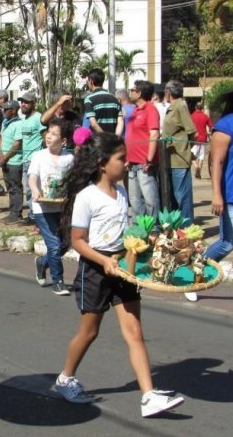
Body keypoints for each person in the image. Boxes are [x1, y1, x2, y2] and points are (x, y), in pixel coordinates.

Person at [54, 132, 185, 417]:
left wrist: (147, 248)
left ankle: (149, 396)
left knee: (135, 331)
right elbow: (77, 240)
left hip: (123, 269)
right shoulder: (87, 197)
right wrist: (104, 261)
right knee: (89, 332)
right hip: (96, 270)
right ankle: (65, 378)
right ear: (102, 163)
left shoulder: (122, 191)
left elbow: (124, 233)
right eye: (121, 159)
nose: (127, 164)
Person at [29, 118, 74, 295]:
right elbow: (32, 177)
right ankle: (58, 281)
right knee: (54, 245)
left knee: (65, 244)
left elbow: (72, 180)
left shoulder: (69, 158)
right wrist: (34, 190)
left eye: (54, 134)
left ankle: (42, 263)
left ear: (63, 141)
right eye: (48, 132)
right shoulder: (39, 156)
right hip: (42, 207)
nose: (49, 136)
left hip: (62, 207)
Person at [204, 83, 233, 264]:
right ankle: (194, 272)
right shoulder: (226, 125)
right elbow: (216, 163)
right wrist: (217, 195)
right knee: (227, 243)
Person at [162, 80, 196, 222]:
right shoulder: (172, 107)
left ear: (169, 92)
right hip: (170, 159)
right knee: (174, 197)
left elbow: (193, 133)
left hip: (180, 159)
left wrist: (185, 149)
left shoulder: (181, 106)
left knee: (182, 196)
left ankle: (187, 228)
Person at [126, 80, 160, 219]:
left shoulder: (150, 109)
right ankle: (138, 229)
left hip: (144, 163)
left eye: (132, 90)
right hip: (132, 162)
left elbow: (154, 133)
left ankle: (153, 228)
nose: (130, 92)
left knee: (149, 199)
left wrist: (149, 158)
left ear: (139, 93)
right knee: (134, 199)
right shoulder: (135, 110)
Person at [18, 91, 45, 221]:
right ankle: (32, 214)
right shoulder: (24, 120)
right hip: (25, 160)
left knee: (33, 189)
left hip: (34, 160)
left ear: (34, 103)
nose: (23, 104)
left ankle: (35, 216)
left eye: (26, 102)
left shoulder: (38, 118)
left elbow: (45, 137)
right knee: (27, 189)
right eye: (22, 102)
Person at [0, 100, 24, 224]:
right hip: (5, 160)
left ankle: (17, 213)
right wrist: (0, 155)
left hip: (14, 161)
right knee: (9, 187)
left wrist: (5, 157)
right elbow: (1, 138)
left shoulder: (19, 124)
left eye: (6, 109)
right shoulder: (5, 123)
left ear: (13, 110)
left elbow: (17, 144)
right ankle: (12, 211)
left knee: (15, 187)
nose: (3, 112)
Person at [83, 69, 123, 135]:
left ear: (91, 81)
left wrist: (104, 137)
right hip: (112, 141)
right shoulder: (115, 99)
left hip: (98, 141)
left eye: (88, 81)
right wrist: (116, 137)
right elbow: (120, 122)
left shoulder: (89, 99)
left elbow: (93, 123)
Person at [190, 102, 213, 179]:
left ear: (195, 107)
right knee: (201, 156)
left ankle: (196, 166)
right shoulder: (205, 116)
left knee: (191, 155)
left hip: (194, 139)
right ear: (201, 108)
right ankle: (199, 169)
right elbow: (211, 126)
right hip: (203, 138)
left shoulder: (192, 116)